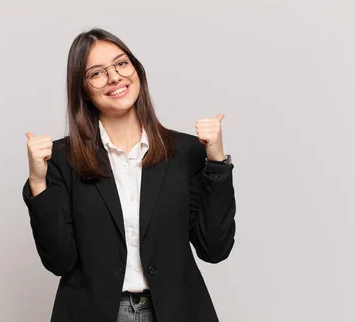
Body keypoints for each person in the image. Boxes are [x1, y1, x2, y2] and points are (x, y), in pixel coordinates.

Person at [22, 28, 237, 322]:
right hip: (92, 313)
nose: (114, 77)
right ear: (82, 89)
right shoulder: (61, 159)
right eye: (97, 73)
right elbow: (60, 261)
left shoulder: (186, 152)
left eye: (122, 64)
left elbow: (214, 249)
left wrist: (216, 162)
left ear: (136, 70)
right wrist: (38, 182)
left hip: (177, 311)